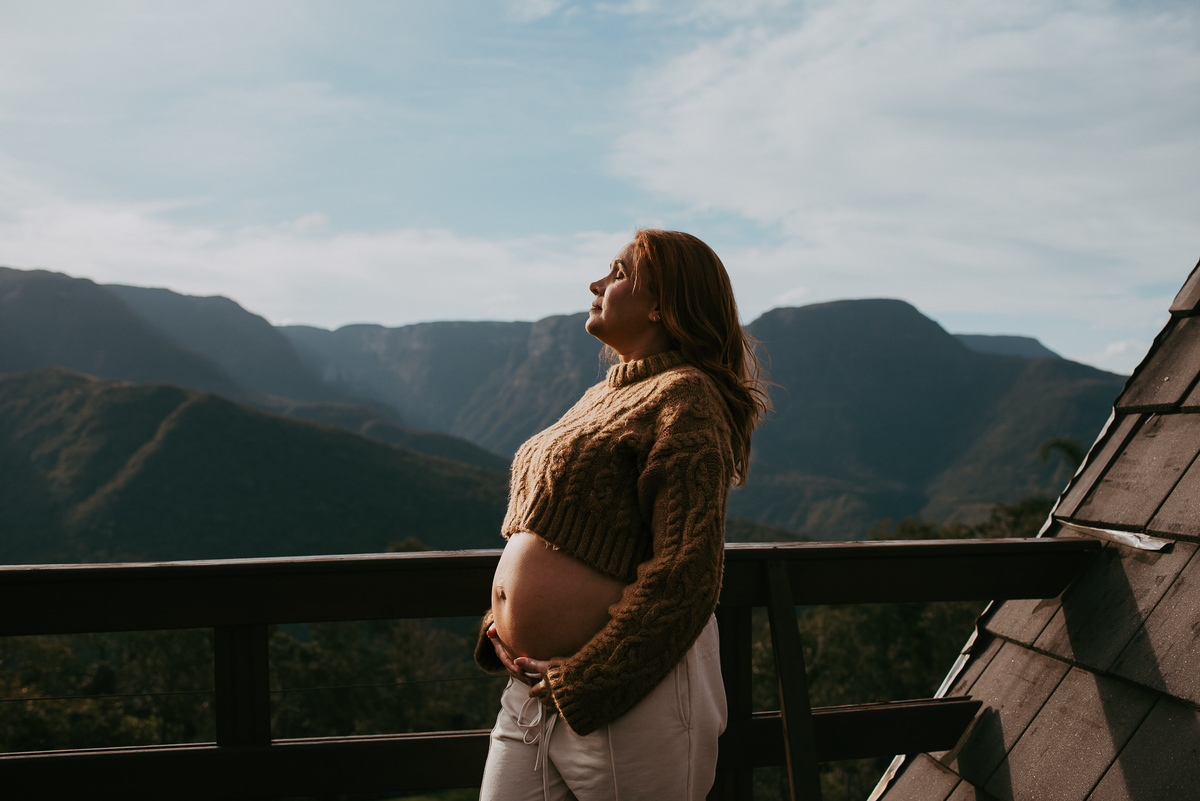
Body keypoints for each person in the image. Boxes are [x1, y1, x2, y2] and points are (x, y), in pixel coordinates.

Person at [475, 229, 770, 800]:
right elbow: (546, 534)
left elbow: (687, 570)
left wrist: (587, 678)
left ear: (661, 303)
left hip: (631, 699)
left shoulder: (686, 397)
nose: (596, 283)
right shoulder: (599, 396)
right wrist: (501, 626)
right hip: (534, 691)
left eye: (617, 272)